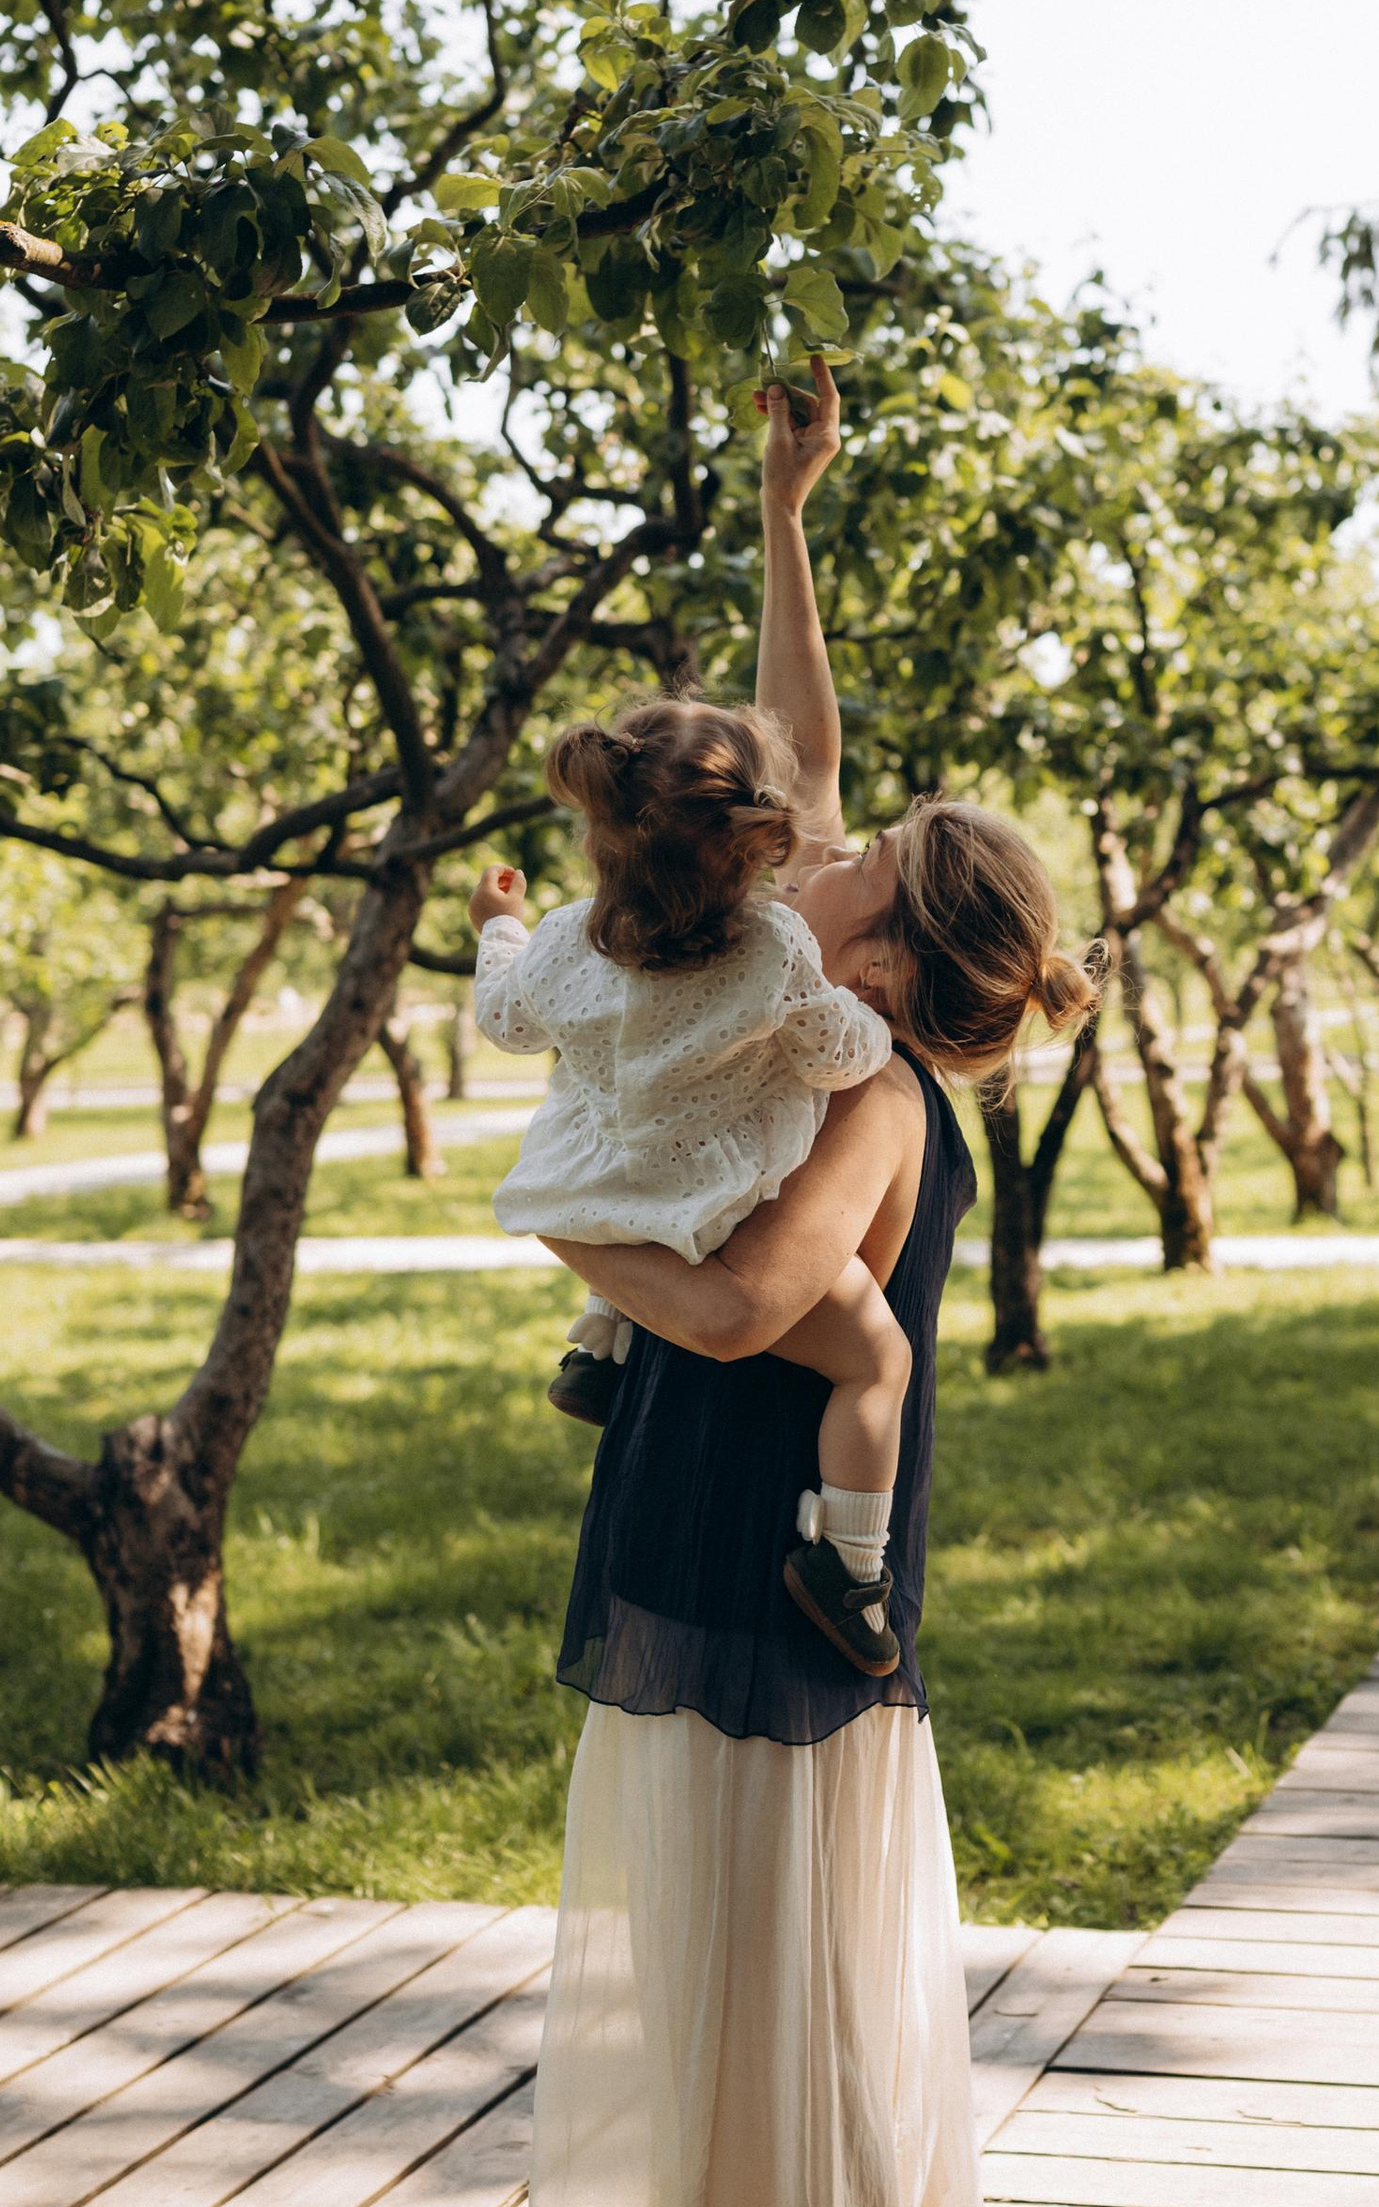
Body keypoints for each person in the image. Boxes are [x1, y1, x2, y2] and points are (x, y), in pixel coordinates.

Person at [526, 359, 1097, 2207]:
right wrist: (787, 517)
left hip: (769, 1581)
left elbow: (732, 1308)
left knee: (760, 1970)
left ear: (891, 941)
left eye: (845, 874)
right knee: (723, 1967)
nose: (803, 854)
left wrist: (561, 1219)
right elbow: (802, 741)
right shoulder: (815, 1009)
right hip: (724, 1541)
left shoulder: (865, 1082)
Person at [469, 692, 919, 1674]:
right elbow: (838, 1054)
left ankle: (603, 1338)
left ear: (601, 836)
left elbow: (501, 1019)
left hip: (592, 1185)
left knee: (630, 1145)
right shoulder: (774, 951)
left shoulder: (556, 943)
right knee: (877, 1364)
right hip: (715, 1211)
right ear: (755, 847)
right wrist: (878, 1021)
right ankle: (851, 1562)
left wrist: (496, 925)